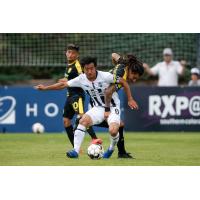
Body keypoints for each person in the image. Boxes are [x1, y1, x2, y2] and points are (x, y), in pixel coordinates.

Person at [35, 56, 136, 159]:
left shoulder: (105, 76)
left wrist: (130, 99)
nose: (89, 71)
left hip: (113, 107)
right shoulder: (81, 79)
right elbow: (63, 85)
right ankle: (75, 151)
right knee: (83, 121)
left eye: (91, 68)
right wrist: (45, 88)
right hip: (98, 108)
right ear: (83, 69)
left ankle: (111, 148)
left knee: (113, 131)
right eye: (86, 69)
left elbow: (123, 82)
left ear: (95, 67)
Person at [57, 44, 97, 147]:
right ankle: (75, 148)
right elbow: (68, 80)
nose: (70, 55)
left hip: (77, 95)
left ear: (77, 55)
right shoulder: (69, 65)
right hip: (69, 96)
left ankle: (95, 139)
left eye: (73, 53)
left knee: (81, 116)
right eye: (69, 52)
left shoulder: (78, 66)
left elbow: (83, 77)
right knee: (66, 121)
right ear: (66, 53)